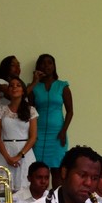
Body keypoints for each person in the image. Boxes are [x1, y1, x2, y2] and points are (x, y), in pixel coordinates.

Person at [27, 53, 74, 188]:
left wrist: (63, 131)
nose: (46, 66)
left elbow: (70, 111)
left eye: (49, 63)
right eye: (42, 63)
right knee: (39, 170)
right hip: (38, 133)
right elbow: (28, 109)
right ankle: (40, 198)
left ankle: (56, 198)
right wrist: (35, 81)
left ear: (54, 66)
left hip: (58, 133)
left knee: (57, 170)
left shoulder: (62, 86)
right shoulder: (34, 87)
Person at [0, 77, 37, 191]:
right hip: (5, 152)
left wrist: (19, 156)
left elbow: (33, 137)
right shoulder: (1, 109)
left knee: (24, 189)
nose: (14, 87)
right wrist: (8, 158)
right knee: (4, 189)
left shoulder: (31, 110)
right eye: (11, 85)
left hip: (24, 152)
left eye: (18, 85)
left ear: (23, 91)